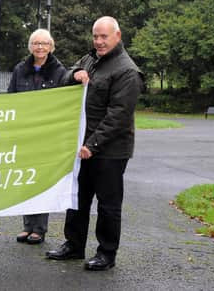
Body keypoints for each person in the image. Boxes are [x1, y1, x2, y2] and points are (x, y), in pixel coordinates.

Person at [46, 16, 144, 270]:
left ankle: (107, 253)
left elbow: (118, 116)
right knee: (77, 197)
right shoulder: (90, 59)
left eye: (104, 36)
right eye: (95, 36)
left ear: (117, 36)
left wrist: (93, 145)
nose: (99, 41)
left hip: (110, 150)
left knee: (108, 205)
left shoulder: (127, 71)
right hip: (82, 146)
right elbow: (65, 79)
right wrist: (73, 74)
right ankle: (74, 245)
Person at [8, 28, 66, 245]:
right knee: (25, 180)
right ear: (30, 46)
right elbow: (10, 99)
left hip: (46, 136)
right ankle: (27, 226)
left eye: (44, 43)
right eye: (36, 43)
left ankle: (39, 229)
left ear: (51, 47)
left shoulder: (60, 72)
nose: (40, 47)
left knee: (40, 180)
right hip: (24, 133)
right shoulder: (19, 70)